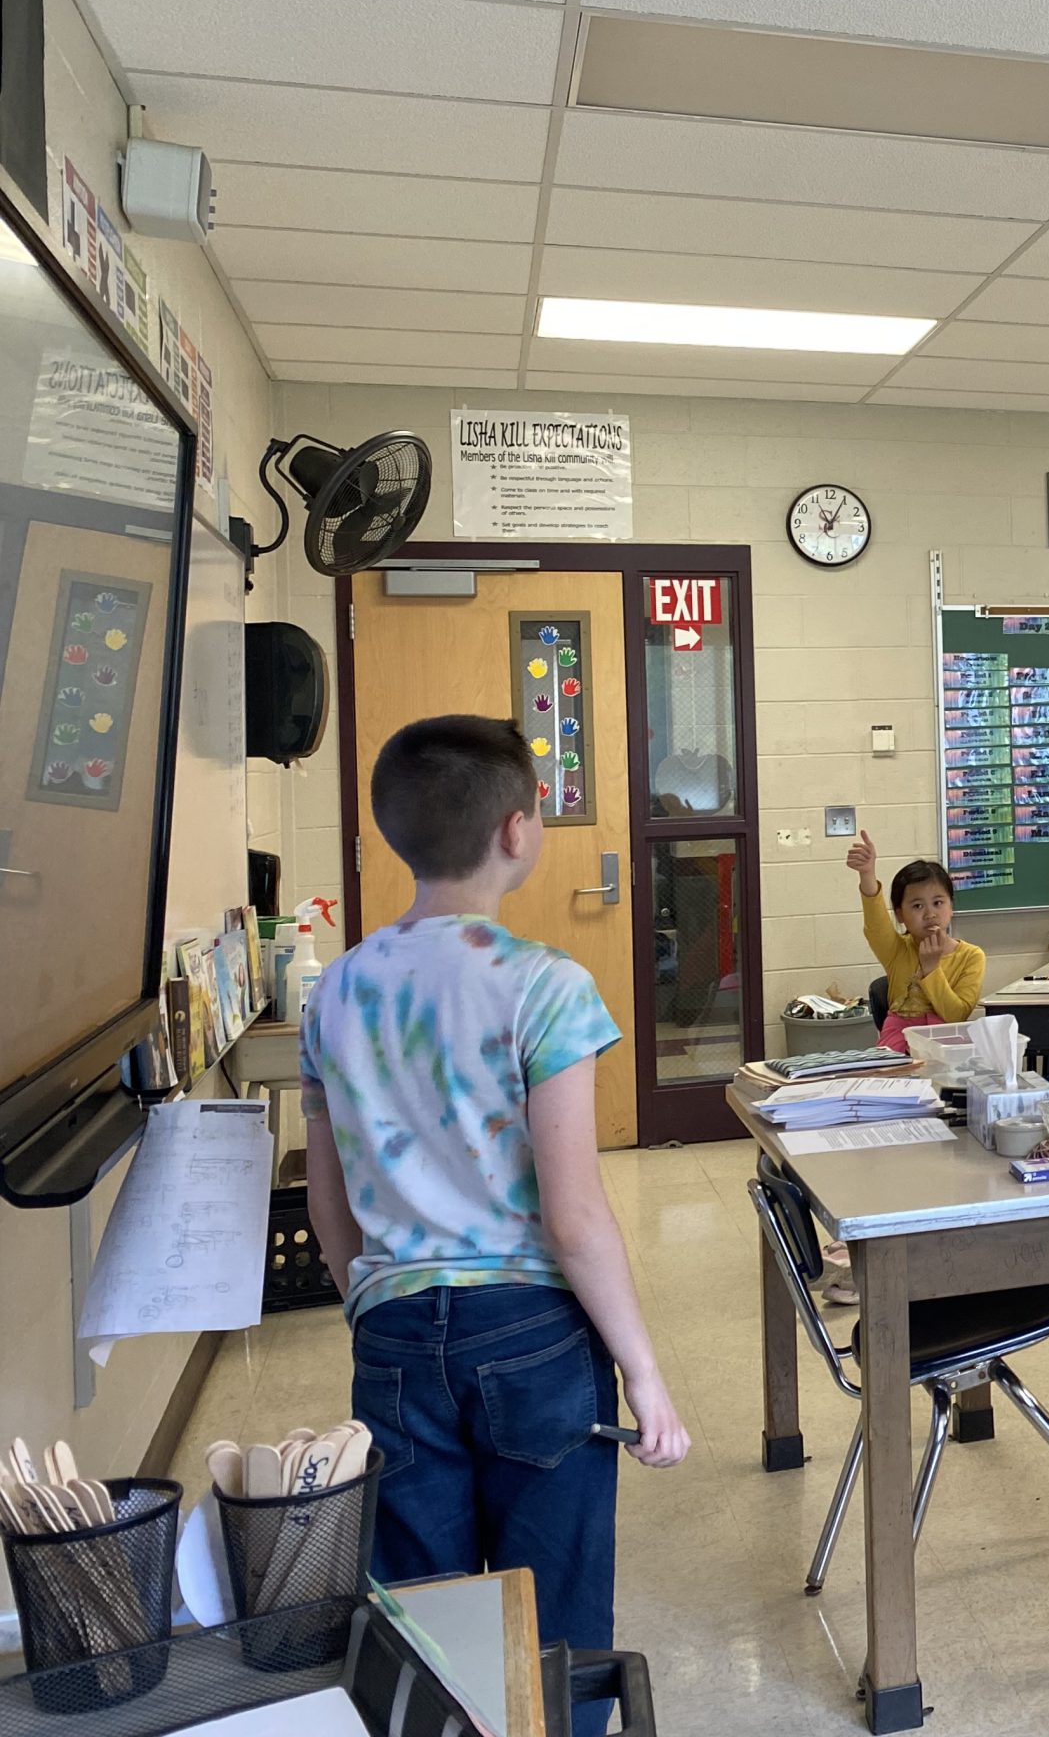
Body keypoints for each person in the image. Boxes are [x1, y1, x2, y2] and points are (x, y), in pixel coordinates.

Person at [300, 717, 688, 1734]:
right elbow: (574, 1215)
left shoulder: (336, 989)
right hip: (531, 1334)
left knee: (425, 1614)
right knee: (549, 1618)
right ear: (517, 832)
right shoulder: (546, 987)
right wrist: (643, 1372)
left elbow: (325, 1199)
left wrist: (370, 1301)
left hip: (390, 1330)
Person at [845, 831, 985, 1053]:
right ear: (900, 915)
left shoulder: (971, 956)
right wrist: (867, 874)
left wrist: (931, 970)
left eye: (938, 902)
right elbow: (876, 923)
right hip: (899, 1041)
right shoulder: (897, 949)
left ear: (951, 905)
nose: (930, 914)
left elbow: (957, 1015)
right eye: (917, 906)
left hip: (945, 1042)